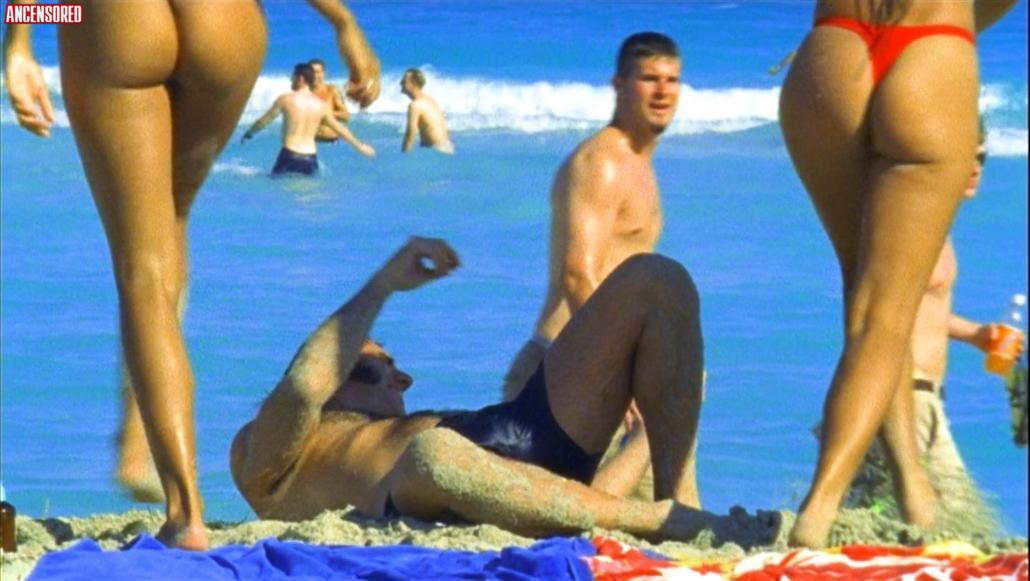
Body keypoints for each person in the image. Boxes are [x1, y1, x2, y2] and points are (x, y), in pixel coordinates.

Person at [4, 0, 381, 550]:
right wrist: (343, 23)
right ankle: (136, 434)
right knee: (172, 217)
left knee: (142, 266)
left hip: (112, 18)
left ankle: (184, 511)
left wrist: (19, 41)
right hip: (225, 21)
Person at [229, 236, 778, 544]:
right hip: (424, 481)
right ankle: (667, 521)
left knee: (655, 277)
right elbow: (303, 385)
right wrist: (383, 285)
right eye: (365, 364)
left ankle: (681, 504)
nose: (397, 377)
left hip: (512, 438)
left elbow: (566, 496)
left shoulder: (398, 422)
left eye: (397, 371)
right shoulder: (269, 451)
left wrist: (643, 439)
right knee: (433, 453)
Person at [778, 0, 1019, 548]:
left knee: (865, 301)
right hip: (932, 46)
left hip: (834, 52)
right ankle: (818, 510)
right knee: (885, 313)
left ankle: (914, 491)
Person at [500, 31, 685, 501]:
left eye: (672, 80)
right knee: (566, 521)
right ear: (619, 84)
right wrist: (623, 366)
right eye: (649, 79)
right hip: (568, 370)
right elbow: (577, 274)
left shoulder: (640, 164)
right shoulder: (602, 162)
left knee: (667, 514)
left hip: (611, 375)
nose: (663, 91)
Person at [847, 130, 1025, 528]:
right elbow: (881, 310)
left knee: (882, 510)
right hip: (906, 393)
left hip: (921, 394)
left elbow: (915, 309)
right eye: (966, 157)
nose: (975, 169)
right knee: (956, 513)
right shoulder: (911, 225)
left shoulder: (935, 229)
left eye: (982, 159)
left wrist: (976, 335)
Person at [242, 63, 375, 176]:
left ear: (300, 78)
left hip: (289, 155)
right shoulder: (321, 106)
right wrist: (360, 146)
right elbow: (340, 129)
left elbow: (264, 121)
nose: (291, 80)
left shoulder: (285, 99)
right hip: (310, 158)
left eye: (293, 77)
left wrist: (249, 133)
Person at [309, 57, 372, 150]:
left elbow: (345, 116)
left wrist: (326, 113)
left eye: (318, 72)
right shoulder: (303, 93)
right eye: (312, 72)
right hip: (311, 143)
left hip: (332, 143)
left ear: (323, 73)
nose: (315, 75)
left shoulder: (331, 91)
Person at [400, 68, 454, 154]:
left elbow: (410, 136)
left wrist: (403, 157)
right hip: (449, 148)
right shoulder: (430, 100)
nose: (400, 83)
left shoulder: (415, 106)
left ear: (414, 83)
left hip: (437, 151)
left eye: (404, 81)